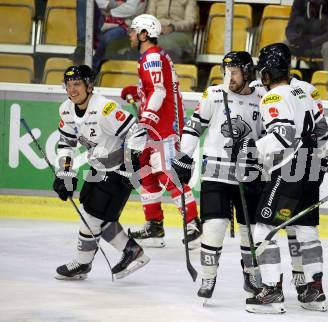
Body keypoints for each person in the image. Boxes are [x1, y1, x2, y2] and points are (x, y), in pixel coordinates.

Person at [240, 46, 327, 314]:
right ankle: (314, 291)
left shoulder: (273, 98)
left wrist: (251, 150)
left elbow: (284, 134)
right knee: (306, 231)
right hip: (313, 166)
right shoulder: (303, 91)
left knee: (263, 228)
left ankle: (271, 292)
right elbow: (322, 131)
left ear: (268, 72)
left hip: (290, 169)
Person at [172, 51, 265, 303]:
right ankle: (208, 276)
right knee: (213, 228)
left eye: (234, 72)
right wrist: (185, 156)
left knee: (252, 231)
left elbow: (268, 136)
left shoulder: (262, 98)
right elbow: (194, 125)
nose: (229, 77)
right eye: (226, 71)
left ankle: (252, 273)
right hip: (216, 172)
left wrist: (253, 152)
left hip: (250, 174)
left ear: (247, 72)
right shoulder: (213, 94)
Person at [54, 65, 149, 280]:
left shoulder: (105, 108)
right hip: (97, 167)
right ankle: (131, 251)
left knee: (92, 217)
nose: (72, 90)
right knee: (94, 211)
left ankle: (82, 263)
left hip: (119, 170)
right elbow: (65, 143)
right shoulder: (66, 109)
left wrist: (129, 165)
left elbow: (137, 131)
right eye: (68, 85)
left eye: (77, 84)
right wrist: (65, 173)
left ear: (89, 85)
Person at [120, 14, 201, 249]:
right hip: (157, 121)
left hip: (162, 124)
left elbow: (159, 91)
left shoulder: (152, 57)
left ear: (145, 34)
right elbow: (158, 89)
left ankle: (193, 224)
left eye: (134, 30)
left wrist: (146, 119)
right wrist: (138, 95)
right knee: (146, 170)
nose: (131, 34)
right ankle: (154, 226)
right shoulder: (152, 56)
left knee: (167, 172)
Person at [285, 0, 328, 70]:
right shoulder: (299, 2)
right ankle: (281, 78)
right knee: (283, 45)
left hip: (321, 43)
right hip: (303, 43)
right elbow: (290, 27)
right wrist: (296, 39)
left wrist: (311, 42)